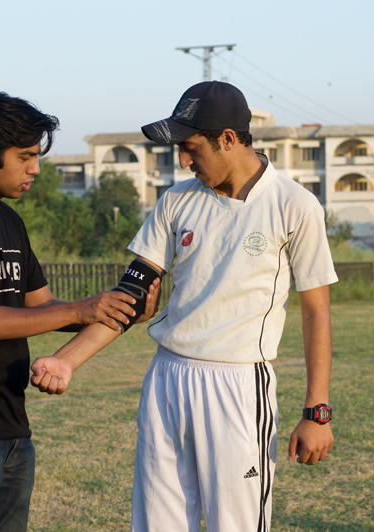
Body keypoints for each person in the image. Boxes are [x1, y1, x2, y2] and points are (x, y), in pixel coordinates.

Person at [31, 82, 338, 532]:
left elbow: (317, 312)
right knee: (158, 523)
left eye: (192, 148)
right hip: (167, 379)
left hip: (237, 384)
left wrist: (317, 411)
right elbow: (131, 296)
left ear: (229, 139)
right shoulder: (176, 200)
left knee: (234, 524)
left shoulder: (294, 206)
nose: (183, 161)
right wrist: (66, 361)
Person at [0, 92, 159, 532]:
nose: (35, 169)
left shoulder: (9, 221)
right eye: (25, 157)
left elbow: (44, 308)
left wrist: (116, 312)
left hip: (10, 420)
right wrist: (84, 310)